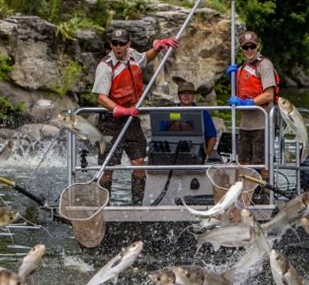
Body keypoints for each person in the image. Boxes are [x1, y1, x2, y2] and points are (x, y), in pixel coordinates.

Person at [93, 27, 178, 204]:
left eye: (122, 44)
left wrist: (158, 48)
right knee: (108, 167)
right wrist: (118, 109)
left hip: (131, 118)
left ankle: (137, 204)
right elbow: (100, 97)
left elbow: (146, 58)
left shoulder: (132, 55)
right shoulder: (105, 66)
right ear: (111, 44)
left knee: (139, 161)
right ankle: (104, 205)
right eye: (115, 44)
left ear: (128, 44)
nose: (118, 47)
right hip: (111, 120)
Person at [227, 30, 279, 198]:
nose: (249, 50)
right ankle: (245, 197)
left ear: (258, 46)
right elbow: (240, 91)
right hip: (245, 125)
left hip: (262, 123)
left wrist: (248, 102)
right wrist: (233, 80)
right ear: (241, 49)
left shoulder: (264, 65)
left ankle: (264, 197)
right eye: (245, 47)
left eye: (252, 46)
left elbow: (269, 94)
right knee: (242, 163)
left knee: (262, 164)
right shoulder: (240, 69)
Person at [176, 80, 217, 159]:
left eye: (189, 93)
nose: (186, 96)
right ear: (179, 96)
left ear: (193, 95)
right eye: (183, 93)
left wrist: (206, 157)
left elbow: (212, 137)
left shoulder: (203, 112)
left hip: (196, 152)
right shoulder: (169, 111)